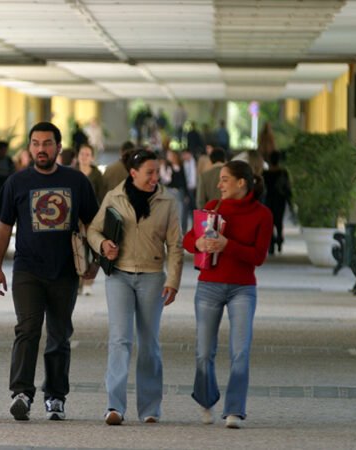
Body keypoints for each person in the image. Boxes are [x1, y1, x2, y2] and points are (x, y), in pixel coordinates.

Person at [0, 122, 99, 422]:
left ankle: (55, 397)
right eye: (36, 143)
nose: (41, 149)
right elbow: (3, 226)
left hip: (65, 271)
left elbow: (93, 225)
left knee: (59, 335)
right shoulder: (17, 182)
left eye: (47, 143)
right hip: (27, 269)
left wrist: (96, 261)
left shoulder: (76, 182)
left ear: (59, 148)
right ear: (29, 149)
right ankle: (21, 394)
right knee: (27, 329)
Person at [87, 149, 183, 425]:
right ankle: (114, 406)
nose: (155, 177)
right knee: (120, 339)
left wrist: (173, 280)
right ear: (133, 173)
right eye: (149, 172)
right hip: (119, 276)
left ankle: (150, 408)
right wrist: (103, 245)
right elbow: (93, 230)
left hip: (153, 277)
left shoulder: (167, 201)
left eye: (157, 172)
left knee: (149, 342)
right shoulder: (114, 197)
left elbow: (176, 246)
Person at [182, 160, 273, 429]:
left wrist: (227, 245)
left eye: (224, 179)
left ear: (241, 182)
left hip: (243, 288)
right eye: (219, 180)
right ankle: (206, 399)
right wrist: (198, 242)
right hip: (208, 285)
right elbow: (189, 240)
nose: (219, 184)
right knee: (203, 351)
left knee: (240, 351)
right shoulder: (212, 208)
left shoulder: (263, 215)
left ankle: (235, 409)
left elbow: (258, 257)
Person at [76, 143, 105, 297]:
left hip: (93, 219)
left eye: (87, 154)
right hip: (75, 219)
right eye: (82, 154)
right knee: (77, 250)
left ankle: (88, 282)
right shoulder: (72, 173)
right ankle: (79, 282)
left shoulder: (96, 175)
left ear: (92, 157)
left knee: (93, 250)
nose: (84, 157)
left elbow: (102, 196)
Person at [262, 151, 292, 255]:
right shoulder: (283, 172)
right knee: (278, 222)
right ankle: (279, 240)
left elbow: (262, 188)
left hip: (269, 199)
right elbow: (287, 187)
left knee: (270, 223)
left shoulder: (265, 173)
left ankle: (271, 246)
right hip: (280, 199)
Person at [160, 150, 189, 232]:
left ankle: (182, 231)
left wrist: (186, 194)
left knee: (182, 212)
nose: (169, 157)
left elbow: (184, 181)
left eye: (171, 155)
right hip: (170, 192)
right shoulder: (166, 166)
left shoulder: (180, 166)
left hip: (180, 192)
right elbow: (165, 180)